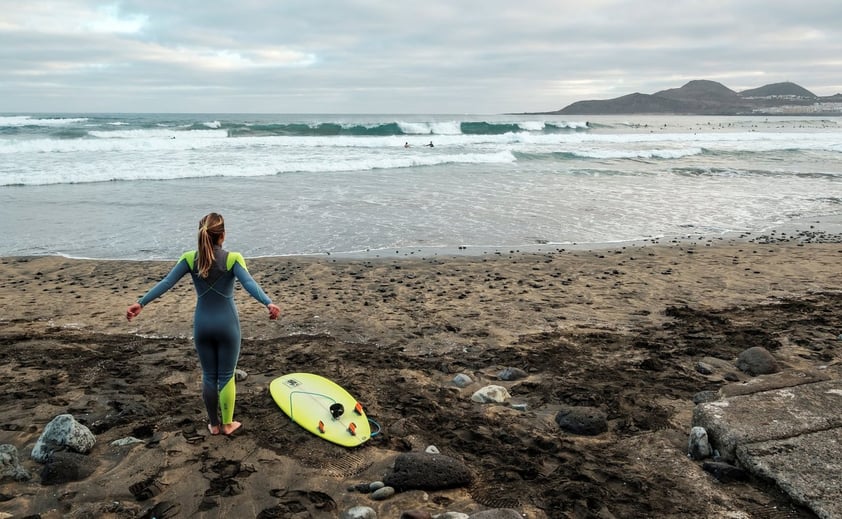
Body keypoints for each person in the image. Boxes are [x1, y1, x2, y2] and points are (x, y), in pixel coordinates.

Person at [126, 212, 280, 436]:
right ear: (223, 236)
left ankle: (214, 425)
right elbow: (249, 282)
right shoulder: (233, 258)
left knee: (209, 375)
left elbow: (167, 282)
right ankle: (228, 424)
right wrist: (268, 303)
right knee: (226, 375)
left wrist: (141, 303)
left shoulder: (189, 258)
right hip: (227, 325)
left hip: (202, 325)